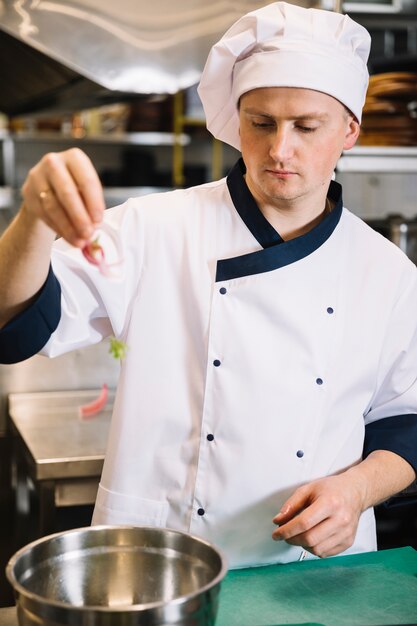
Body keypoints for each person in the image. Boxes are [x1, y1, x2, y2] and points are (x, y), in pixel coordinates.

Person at [1, 1, 416, 568]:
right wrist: (32, 219)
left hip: (313, 568)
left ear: (349, 130)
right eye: (261, 123)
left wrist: (357, 492)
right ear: (235, 120)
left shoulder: (387, 272)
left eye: (306, 126)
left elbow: (405, 423)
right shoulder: (153, 229)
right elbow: (14, 330)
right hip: (162, 558)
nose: (279, 149)